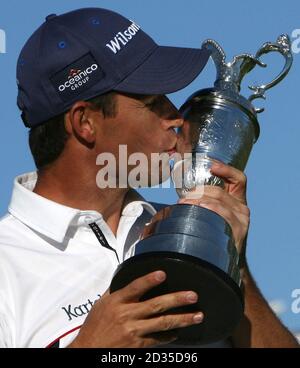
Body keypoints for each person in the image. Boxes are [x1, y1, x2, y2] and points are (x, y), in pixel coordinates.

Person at [0, 7, 298, 348]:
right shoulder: (6, 268)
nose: (176, 117)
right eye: (153, 101)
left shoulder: (178, 226)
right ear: (85, 122)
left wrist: (233, 263)